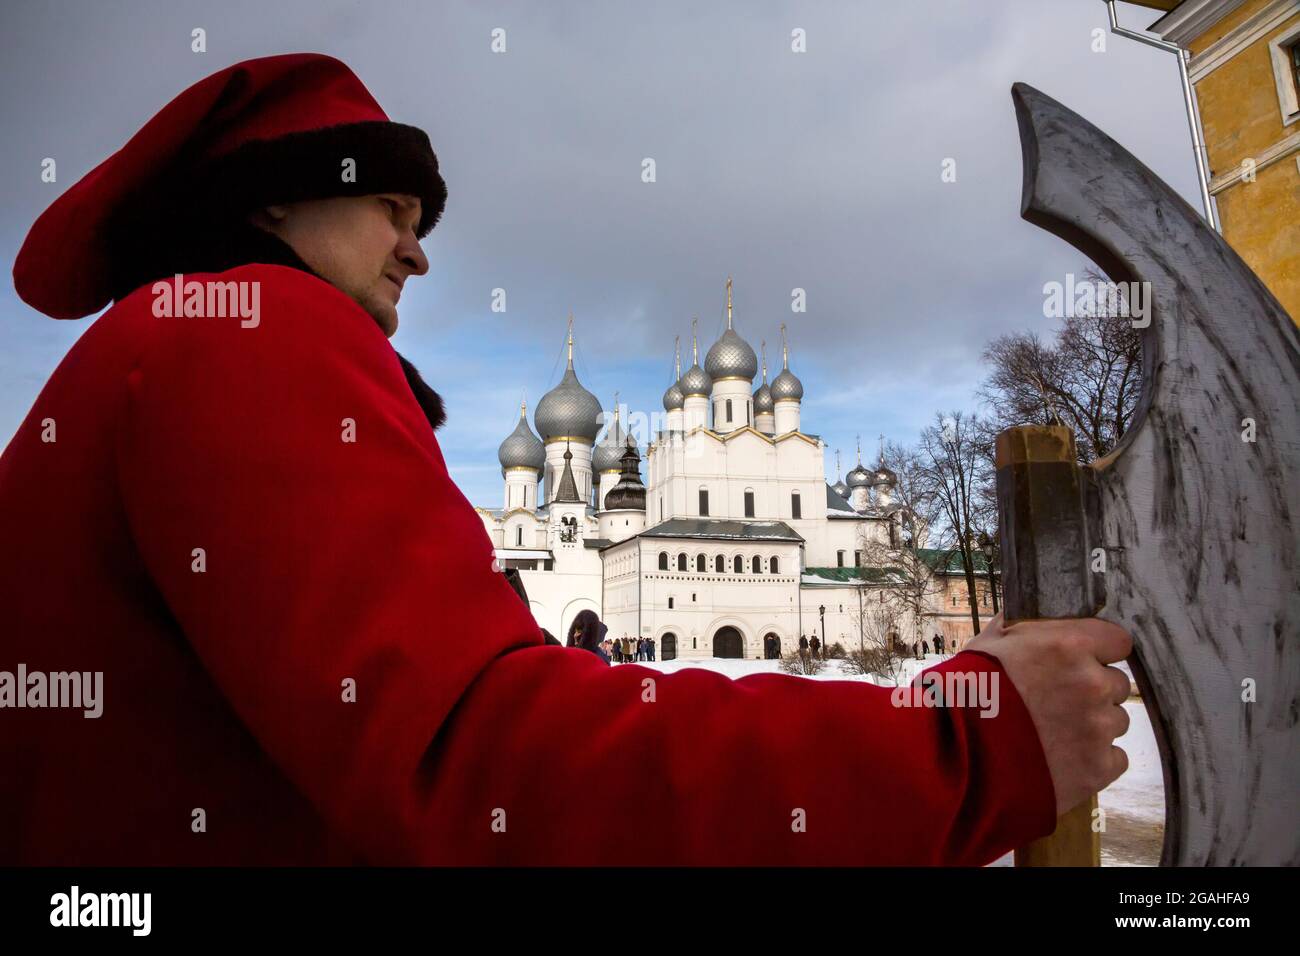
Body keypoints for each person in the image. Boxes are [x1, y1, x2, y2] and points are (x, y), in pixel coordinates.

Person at [0, 53, 1135, 866]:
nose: (419, 249)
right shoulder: (249, 332)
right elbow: (478, 759)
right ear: (272, 198)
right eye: (390, 206)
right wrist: (965, 744)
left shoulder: (159, 348)